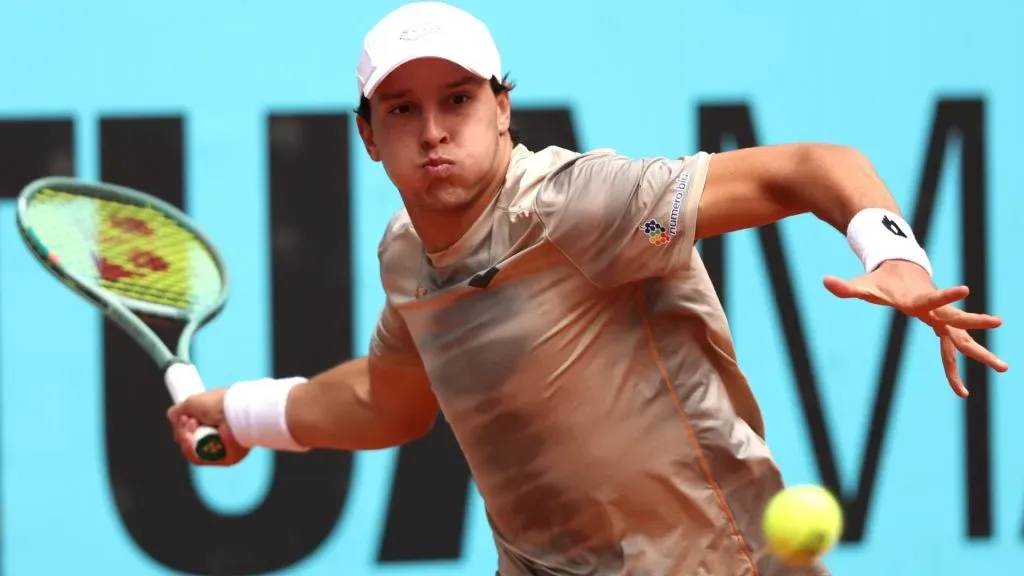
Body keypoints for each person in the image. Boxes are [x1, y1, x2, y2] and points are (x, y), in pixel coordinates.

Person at [168, 2, 1008, 574]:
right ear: (366, 135)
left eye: (457, 99)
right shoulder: (404, 256)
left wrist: (896, 257)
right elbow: (389, 401)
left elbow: (813, 169)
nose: (431, 131)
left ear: (502, 108)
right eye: (400, 109)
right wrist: (240, 413)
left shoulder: (580, 205)